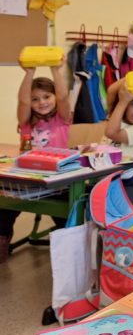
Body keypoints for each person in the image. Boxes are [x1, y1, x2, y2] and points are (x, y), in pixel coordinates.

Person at [0, 58, 73, 263]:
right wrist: (28, 73)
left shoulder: (63, 118)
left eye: (47, 96)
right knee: (4, 203)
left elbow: (64, 96)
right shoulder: (26, 122)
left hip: (58, 182)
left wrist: (56, 70)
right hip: (29, 181)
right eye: (35, 99)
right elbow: (22, 101)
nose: (42, 102)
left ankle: (67, 246)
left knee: (64, 211)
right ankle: (2, 239)